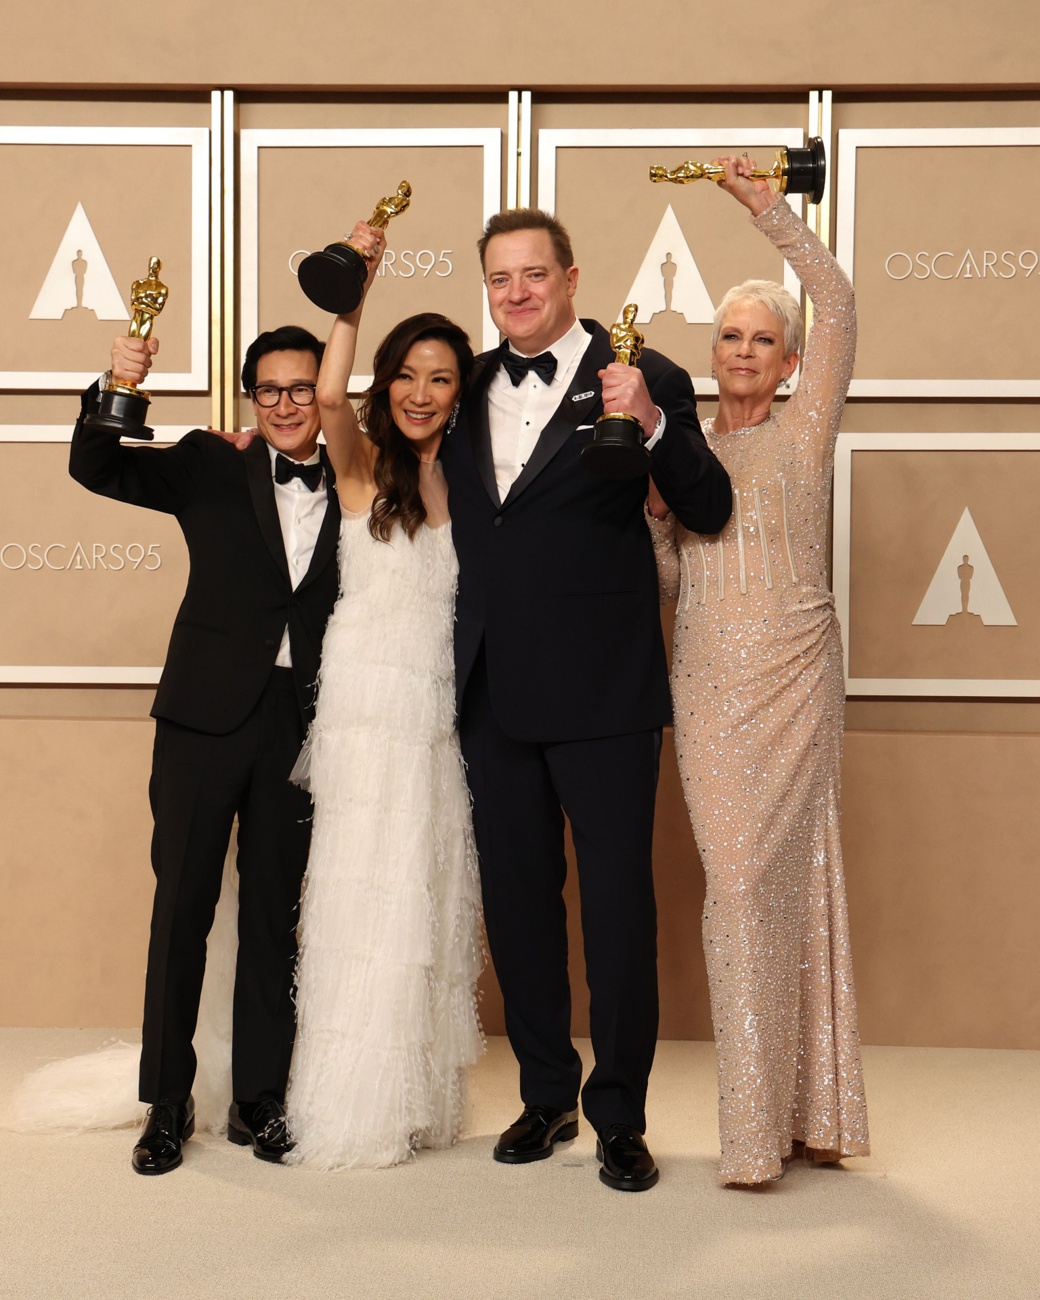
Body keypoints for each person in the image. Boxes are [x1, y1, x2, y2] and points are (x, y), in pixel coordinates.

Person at [440, 208, 732, 1192]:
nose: (515, 293)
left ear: (569, 278)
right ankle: (544, 1093)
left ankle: (618, 1115)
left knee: (615, 911)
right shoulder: (465, 385)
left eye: (532, 274)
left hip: (605, 687)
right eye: (497, 279)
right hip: (489, 688)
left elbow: (708, 504)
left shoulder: (643, 373)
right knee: (519, 907)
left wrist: (647, 424)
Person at [67, 323, 341, 1174]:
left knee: (272, 914)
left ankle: (260, 1099)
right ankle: (166, 1101)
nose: (288, 405)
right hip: (202, 717)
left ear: (326, 396)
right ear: (250, 397)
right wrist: (119, 383)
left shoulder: (367, 480)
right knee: (181, 905)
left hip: (302, 725)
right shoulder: (208, 460)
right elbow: (97, 466)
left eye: (304, 389)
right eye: (272, 390)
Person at [646, 157, 871, 1185]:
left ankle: (768, 1131)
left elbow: (834, 295)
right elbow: (669, 578)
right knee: (734, 884)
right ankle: (769, 1114)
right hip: (705, 686)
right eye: (729, 335)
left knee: (782, 883)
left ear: (788, 363)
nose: (745, 351)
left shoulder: (805, 425)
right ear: (711, 352)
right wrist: (648, 520)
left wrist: (762, 211)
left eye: (762, 339)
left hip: (792, 677)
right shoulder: (676, 451)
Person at [284, 221, 483, 1169]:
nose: (418, 392)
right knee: (362, 899)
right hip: (366, 711)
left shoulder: (479, 483)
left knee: (423, 897)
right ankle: (347, 1103)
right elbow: (326, 394)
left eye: (440, 377)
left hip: (437, 715)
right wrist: (355, 297)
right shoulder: (363, 466)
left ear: (462, 390)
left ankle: (412, 1097)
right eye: (407, 373)